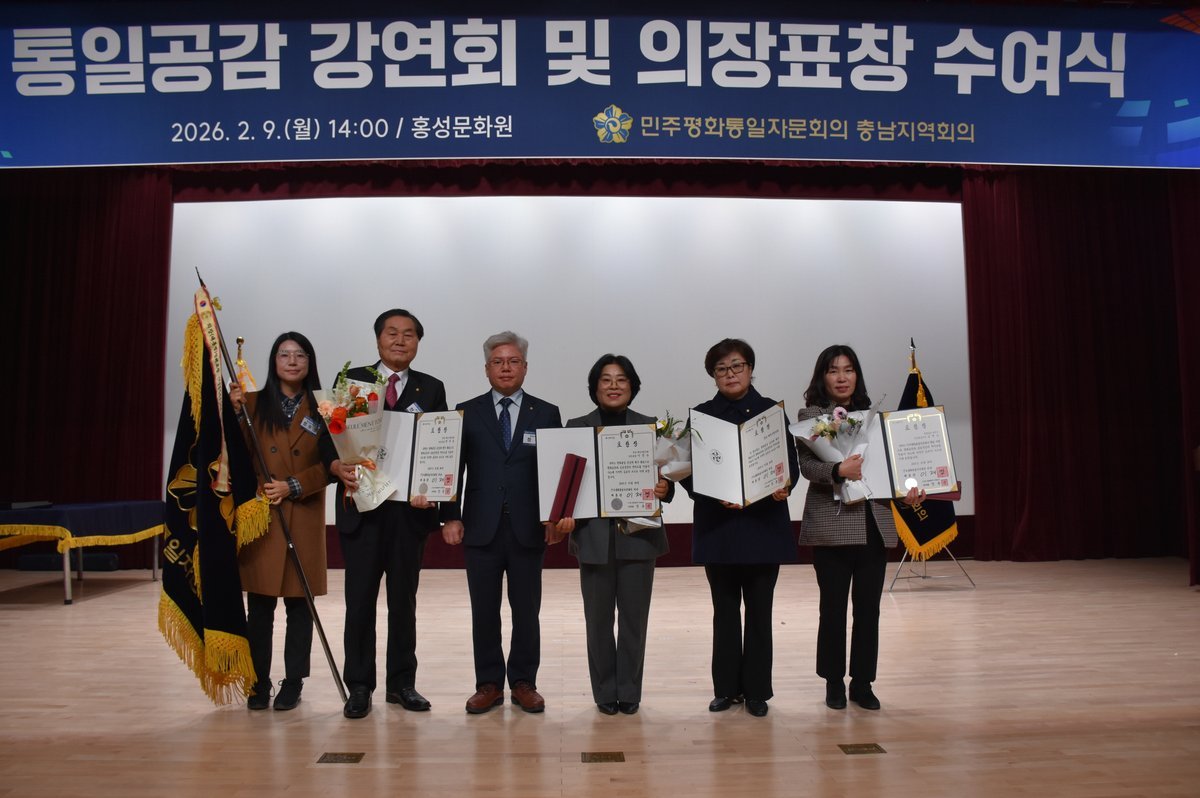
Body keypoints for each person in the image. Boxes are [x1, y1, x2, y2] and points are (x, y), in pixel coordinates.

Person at [796, 344, 925, 712]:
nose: (842, 377)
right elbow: (807, 467)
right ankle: (833, 682)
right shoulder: (811, 416)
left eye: (848, 370)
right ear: (823, 377)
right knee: (832, 609)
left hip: (874, 524)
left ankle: (863, 682)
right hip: (833, 526)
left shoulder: (875, 419)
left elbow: (889, 471)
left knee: (868, 611)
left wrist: (907, 493)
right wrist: (838, 469)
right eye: (834, 370)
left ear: (857, 375)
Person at [441, 331, 564, 714]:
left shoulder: (546, 412)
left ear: (525, 367)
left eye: (513, 361)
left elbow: (554, 469)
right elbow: (453, 467)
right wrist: (450, 516)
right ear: (486, 369)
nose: (506, 368)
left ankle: (524, 682)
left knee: (527, 611)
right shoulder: (467, 411)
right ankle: (489, 684)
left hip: (529, 528)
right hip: (480, 527)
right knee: (484, 611)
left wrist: (554, 516)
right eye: (498, 362)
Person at [334, 309, 448, 719]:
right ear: (378, 338)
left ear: (418, 342)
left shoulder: (431, 387)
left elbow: (439, 447)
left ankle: (402, 684)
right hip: (362, 510)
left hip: (407, 514)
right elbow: (332, 438)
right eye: (392, 333)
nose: (400, 341)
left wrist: (432, 492)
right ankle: (359, 685)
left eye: (409, 334)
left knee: (403, 603)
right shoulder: (352, 381)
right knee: (359, 602)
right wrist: (335, 466)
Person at [681, 338, 798, 718]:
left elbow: (790, 465)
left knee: (760, 613)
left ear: (750, 369)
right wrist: (715, 494)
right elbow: (687, 473)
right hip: (720, 528)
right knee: (725, 612)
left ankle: (757, 691)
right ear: (713, 375)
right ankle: (726, 689)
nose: (730, 374)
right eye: (722, 369)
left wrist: (784, 485)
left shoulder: (770, 413)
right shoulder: (702, 417)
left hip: (763, 527)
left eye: (737, 366)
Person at [556, 354, 673, 716]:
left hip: (639, 537)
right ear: (594, 387)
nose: (613, 386)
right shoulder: (576, 427)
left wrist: (665, 487)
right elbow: (566, 483)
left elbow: (667, 481)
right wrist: (563, 514)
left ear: (632, 387)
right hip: (593, 537)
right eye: (605, 380)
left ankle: (630, 691)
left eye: (621, 379)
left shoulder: (650, 427)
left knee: (635, 621)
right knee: (598, 622)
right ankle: (605, 691)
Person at [230, 332, 336, 711]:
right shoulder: (251, 403)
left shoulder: (327, 407)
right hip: (264, 516)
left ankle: (293, 682)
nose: (292, 361)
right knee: (259, 606)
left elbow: (334, 464)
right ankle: (258, 682)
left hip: (303, 513)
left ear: (310, 362)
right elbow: (237, 456)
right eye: (284, 354)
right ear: (274, 361)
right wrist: (234, 414)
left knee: (299, 605)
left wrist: (294, 485)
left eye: (300, 355)